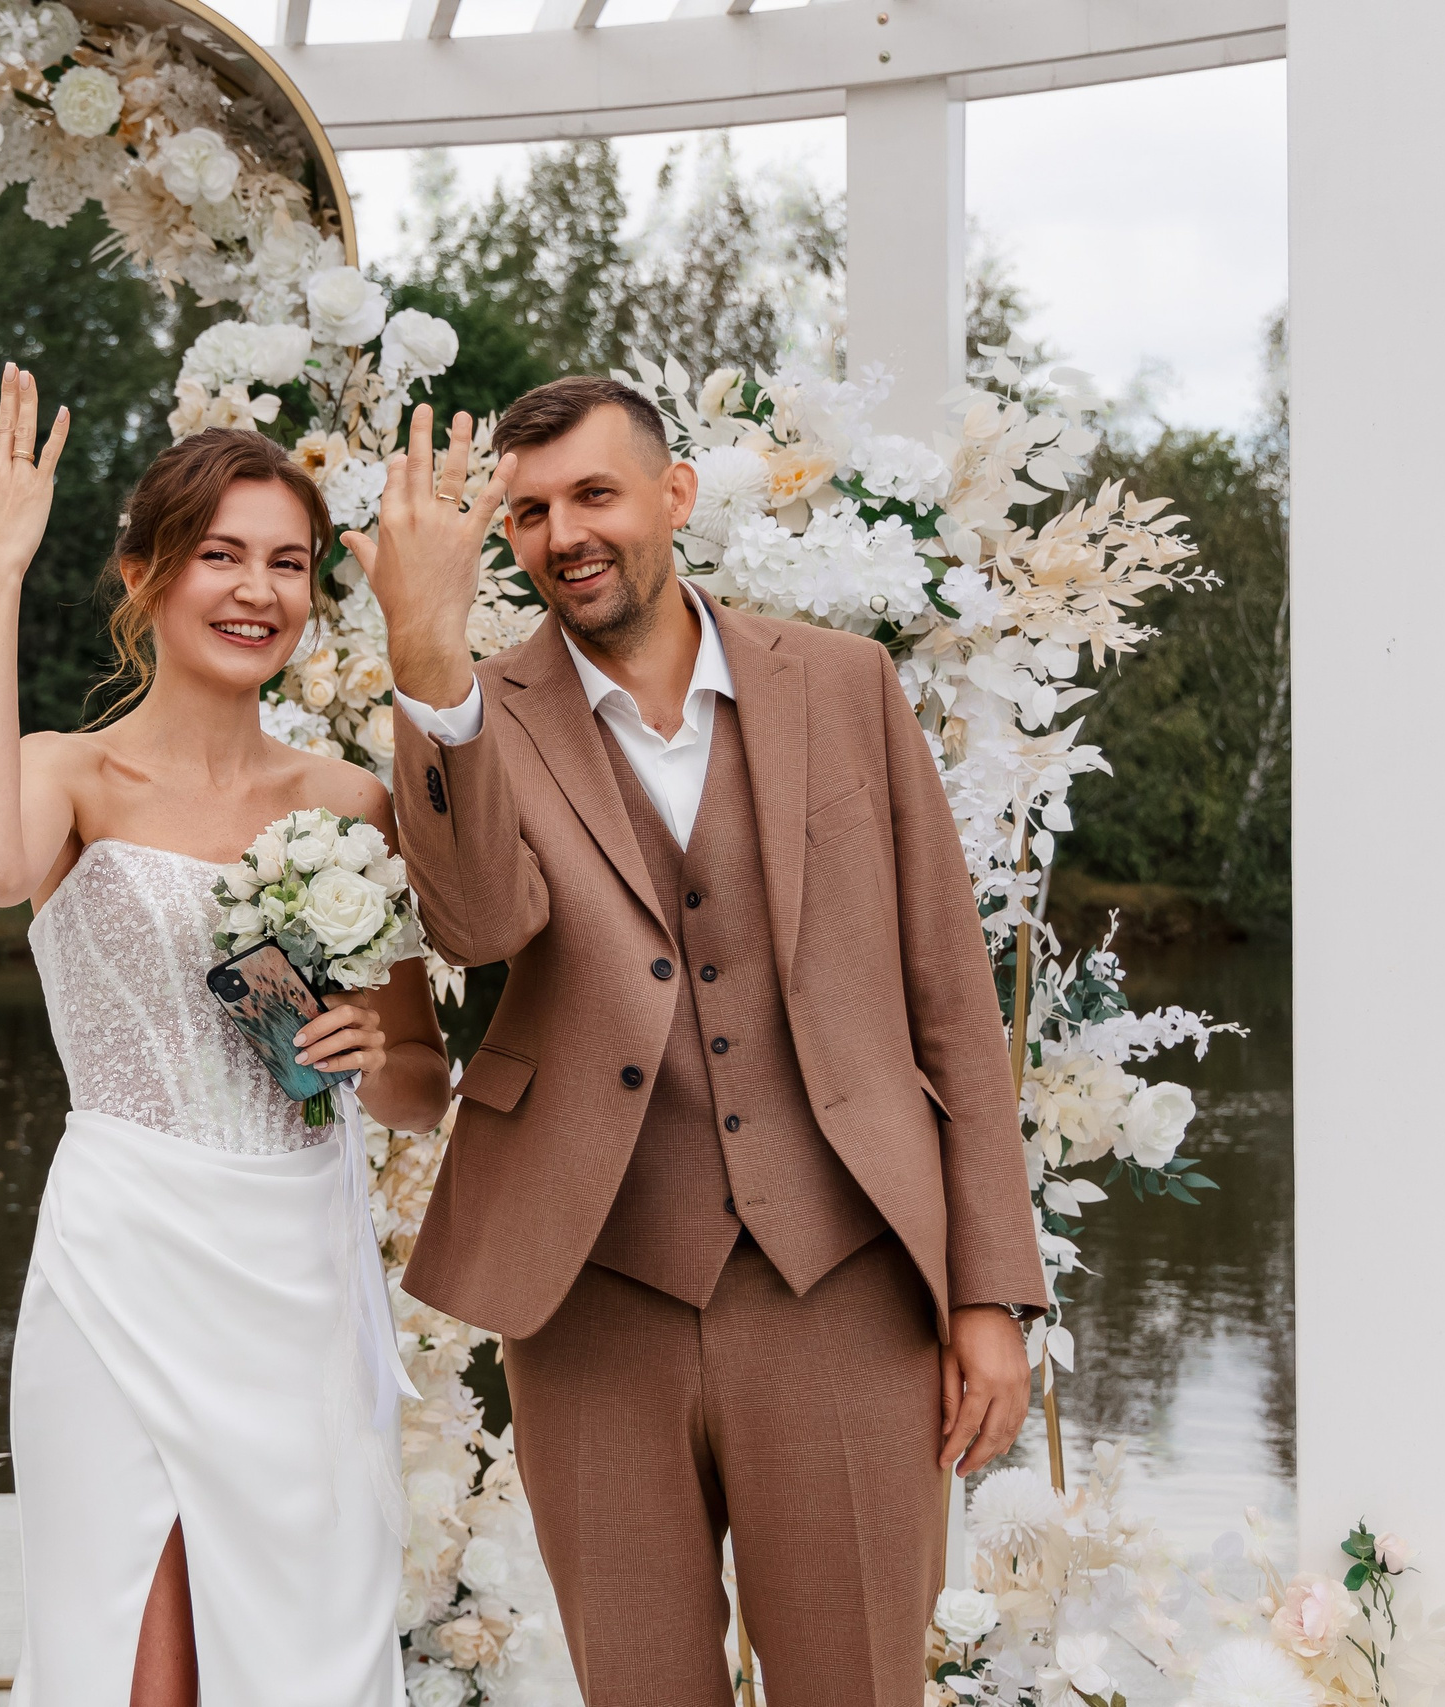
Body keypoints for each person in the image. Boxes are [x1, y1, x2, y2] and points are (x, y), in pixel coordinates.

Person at [349, 377, 1047, 1707]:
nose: (565, 534)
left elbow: (951, 1001)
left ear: (674, 497)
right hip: (594, 1289)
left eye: (595, 495)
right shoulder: (472, 711)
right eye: (532, 511)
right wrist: (431, 668)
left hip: (840, 1280)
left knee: (857, 1685)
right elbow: (481, 925)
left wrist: (987, 1294)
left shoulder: (844, 687)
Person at [0, 366, 452, 1707]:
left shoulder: (351, 802)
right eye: (220, 554)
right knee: (128, 1658)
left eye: (288, 562)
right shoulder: (67, 776)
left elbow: (421, 1087)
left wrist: (369, 1058)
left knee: (300, 1658)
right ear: (149, 573)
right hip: (126, 1256)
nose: (256, 589)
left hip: (299, 1276)